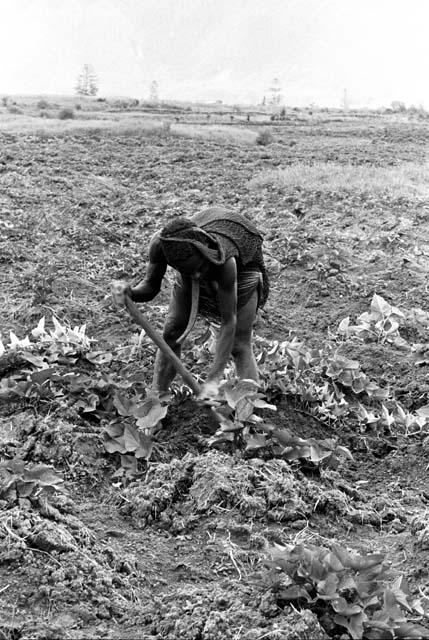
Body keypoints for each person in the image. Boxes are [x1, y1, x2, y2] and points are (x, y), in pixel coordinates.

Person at [113, 206, 269, 397]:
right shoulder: (163, 245)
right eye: (188, 270)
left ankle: (250, 405)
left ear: (204, 252)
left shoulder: (225, 259)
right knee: (171, 332)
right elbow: (150, 287)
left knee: (238, 343)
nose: (197, 275)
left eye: (199, 268)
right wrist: (130, 292)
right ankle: (157, 399)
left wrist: (213, 380)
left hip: (243, 268)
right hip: (192, 270)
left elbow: (229, 321)